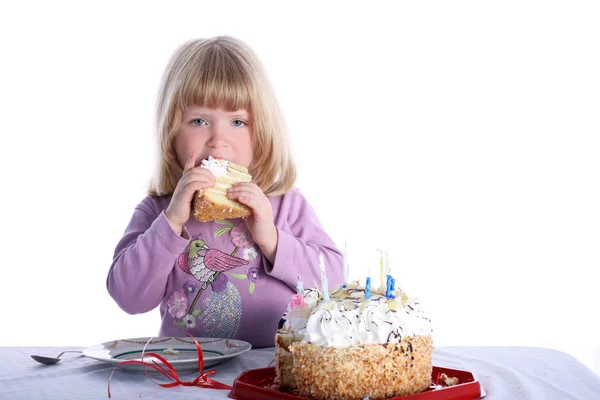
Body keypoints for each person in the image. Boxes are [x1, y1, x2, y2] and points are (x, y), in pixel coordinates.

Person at [106, 36, 343, 347]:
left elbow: (334, 282)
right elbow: (129, 297)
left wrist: (271, 238)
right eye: (199, 120)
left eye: (237, 121)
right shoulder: (159, 210)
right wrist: (171, 222)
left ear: (263, 132)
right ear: (171, 132)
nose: (218, 139)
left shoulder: (284, 203)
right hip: (189, 373)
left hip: (273, 368)